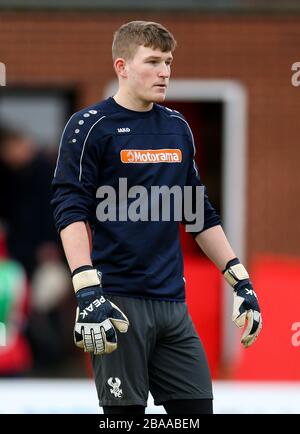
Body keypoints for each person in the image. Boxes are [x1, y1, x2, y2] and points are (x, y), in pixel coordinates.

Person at [51, 21, 262, 415]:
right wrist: (86, 289)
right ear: (122, 66)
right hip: (115, 303)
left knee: (197, 414)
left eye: (168, 61)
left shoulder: (177, 128)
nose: (164, 71)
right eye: (152, 61)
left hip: (172, 305)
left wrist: (241, 280)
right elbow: (69, 209)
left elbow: (198, 213)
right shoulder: (88, 126)